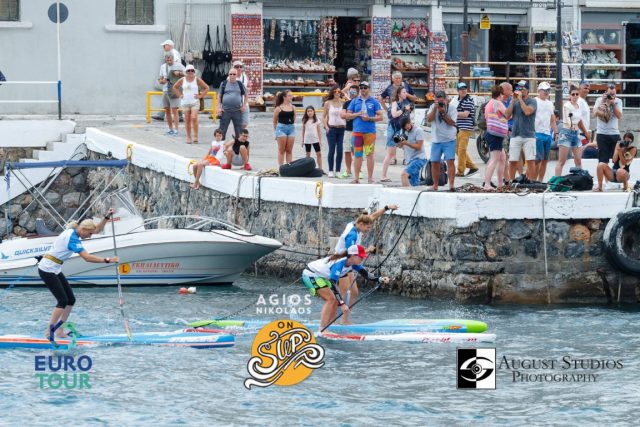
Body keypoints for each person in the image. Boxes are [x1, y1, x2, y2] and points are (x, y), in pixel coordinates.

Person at [39, 212, 119, 340]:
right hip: (47, 268)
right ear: (83, 230)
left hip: (55, 268)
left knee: (71, 300)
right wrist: (108, 260)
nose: (89, 236)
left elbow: (96, 229)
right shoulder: (73, 238)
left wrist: (107, 217)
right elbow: (87, 258)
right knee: (63, 301)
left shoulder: (75, 229)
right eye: (89, 234)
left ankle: (60, 330)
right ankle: (49, 331)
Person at [302, 244, 390, 330]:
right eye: (361, 257)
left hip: (321, 277)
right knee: (331, 299)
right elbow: (333, 285)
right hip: (311, 274)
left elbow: (366, 274)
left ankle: (332, 323)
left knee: (336, 299)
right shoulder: (339, 264)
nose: (363, 258)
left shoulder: (352, 263)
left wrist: (381, 279)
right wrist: (343, 304)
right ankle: (322, 329)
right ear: (352, 256)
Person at [334, 206, 397, 324]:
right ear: (361, 224)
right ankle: (334, 321)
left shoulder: (357, 224)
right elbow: (350, 254)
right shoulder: (352, 235)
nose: (368, 230)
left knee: (354, 293)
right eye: (367, 228)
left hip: (349, 263)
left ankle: (344, 319)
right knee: (343, 294)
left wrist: (386, 208)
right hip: (341, 263)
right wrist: (367, 250)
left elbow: (372, 217)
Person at [345, 81, 383, 184]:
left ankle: (370, 178)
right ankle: (356, 178)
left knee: (369, 154)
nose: (362, 89)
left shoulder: (374, 102)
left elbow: (381, 117)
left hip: (369, 133)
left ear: (369, 89)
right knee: (357, 155)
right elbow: (347, 115)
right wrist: (357, 114)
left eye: (365, 87)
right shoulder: (354, 101)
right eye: (361, 87)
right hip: (357, 132)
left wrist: (369, 119)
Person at [379, 71, 418, 166]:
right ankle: (393, 158)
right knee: (393, 137)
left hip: (405, 117)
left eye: (399, 78)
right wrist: (386, 109)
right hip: (394, 117)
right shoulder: (389, 88)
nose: (398, 80)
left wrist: (406, 94)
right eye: (396, 78)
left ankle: (406, 158)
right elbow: (380, 98)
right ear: (392, 79)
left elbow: (415, 98)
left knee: (405, 137)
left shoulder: (406, 86)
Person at [505, 80, 537, 181]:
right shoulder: (515, 101)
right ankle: (511, 182)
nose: (519, 91)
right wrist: (513, 101)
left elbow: (527, 111)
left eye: (522, 89)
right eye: (518, 88)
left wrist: (520, 100)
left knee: (530, 160)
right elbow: (506, 115)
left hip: (529, 135)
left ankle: (531, 182)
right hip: (515, 134)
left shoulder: (532, 101)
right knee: (513, 160)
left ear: (527, 90)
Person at [555, 85, 589, 177]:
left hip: (576, 133)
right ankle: (556, 180)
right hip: (566, 133)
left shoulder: (579, 106)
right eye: (573, 94)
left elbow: (580, 121)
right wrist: (573, 127)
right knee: (562, 160)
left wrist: (585, 132)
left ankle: (581, 179)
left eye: (576, 94)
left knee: (578, 159)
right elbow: (567, 119)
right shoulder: (567, 105)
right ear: (570, 95)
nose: (575, 96)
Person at [426, 90, 457, 191]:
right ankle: (435, 185)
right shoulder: (432, 107)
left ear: (446, 100)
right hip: (436, 140)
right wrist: (435, 109)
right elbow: (429, 120)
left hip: (449, 139)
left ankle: (451, 185)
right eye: (438, 100)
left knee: (450, 162)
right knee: (434, 162)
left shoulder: (452, 108)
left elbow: (452, 122)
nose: (440, 102)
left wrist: (443, 112)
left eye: (442, 100)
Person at [381, 86, 412, 182]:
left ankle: (408, 174)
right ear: (399, 94)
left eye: (406, 92)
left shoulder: (405, 103)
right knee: (390, 154)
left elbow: (405, 118)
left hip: (400, 131)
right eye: (403, 92)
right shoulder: (395, 103)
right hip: (393, 131)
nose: (405, 93)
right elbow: (394, 114)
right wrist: (403, 109)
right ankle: (383, 176)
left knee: (408, 149)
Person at [173, 64, 209, 144]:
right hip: (185, 102)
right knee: (187, 120)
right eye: (188, 70)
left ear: (194, 71)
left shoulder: (197, 79)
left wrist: (200, 96)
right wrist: (179, 95)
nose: (190, 72)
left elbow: (206, 87)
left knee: (194, 117)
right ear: (186, 72)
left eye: (192, 70)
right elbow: (174, 87)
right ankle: (189, 136)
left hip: (194, 102)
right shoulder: (182, 79)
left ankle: (195, 135)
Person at [482, 85, 508, 190]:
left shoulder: (489, 103)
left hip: (491, 133)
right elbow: (508, 114)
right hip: (495, 134)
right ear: (500, 94)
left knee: (502, 158)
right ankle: (487, 183)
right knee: (494, 159)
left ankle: (500, 183)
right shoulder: (498, 103)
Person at [533, 82, 558, 182]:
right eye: (544, 90)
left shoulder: (550, 103)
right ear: (539, 91)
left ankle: (540, 181)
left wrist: (556, 132)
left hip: (547, 134)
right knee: (537, 159)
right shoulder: (534, 101)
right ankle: (532, 180)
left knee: (545, 160)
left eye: (548, 90)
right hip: (536, 133)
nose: (546, 92)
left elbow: (552, 119)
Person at [593, 84, 623, 164]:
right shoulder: (599, 100)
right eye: (610, 94)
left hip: (614, 133)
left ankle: (615, 176)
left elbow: (619, 116)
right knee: (603, 161)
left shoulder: (618, 101)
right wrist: (603, 101)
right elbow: (594, 113)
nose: (612, 96)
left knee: (617, 160)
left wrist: (613, 104)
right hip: (602, 133)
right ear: (606, 93)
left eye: (614, 94)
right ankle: (605, 176)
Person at [217, 67, 248, 140]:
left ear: (236, 75)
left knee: (238, 130)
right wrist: (219, 108)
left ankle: (239, 147)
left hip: (237, 111)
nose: (232, 76)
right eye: (231, 74)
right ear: (228, 75)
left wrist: (243, 106)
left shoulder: (240, 84)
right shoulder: (224, 84)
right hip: (225, 111)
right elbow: (219, 96)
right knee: (222, 130)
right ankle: (220, 147)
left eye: (234, 74)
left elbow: (246, 95)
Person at [454, 82, 478, 177]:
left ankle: (460, 171)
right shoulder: (456, 100)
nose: (463, 90)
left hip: (466, 128)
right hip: (457, 128)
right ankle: (472, 167)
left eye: (464, 89)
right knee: (457, 149)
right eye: (461, 89)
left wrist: (454, 112)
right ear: (458, 91)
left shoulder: (469, 100)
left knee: (461, 149)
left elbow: (465, 114)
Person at [323, 84, 346, 177]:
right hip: (331, 128)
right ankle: (330, 170)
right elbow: (323, 116)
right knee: (332, 149)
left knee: (340, 149)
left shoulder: (343, 103)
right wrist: (326, 126)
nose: (337, 93)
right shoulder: (328, 103)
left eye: (339, 91)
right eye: (335, 91)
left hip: (341, 128)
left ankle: (338, 170)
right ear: (332, 92)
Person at [158, 53, 184, 136]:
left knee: (174, 111)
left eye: (170, 59)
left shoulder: (179, 66)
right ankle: (170, 129)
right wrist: (163, 81)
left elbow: (188, 74)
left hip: (174, 90)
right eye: (167, 60)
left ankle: (176, 130)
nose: (169, 61)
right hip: (165, 90)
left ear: (173, 59)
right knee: (167, 111)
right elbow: (160, 80)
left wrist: (179, 73)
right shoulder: (162, 67)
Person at [396, 117, 427, 187]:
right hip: (409, 160)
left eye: (407, 127)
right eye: (405, 128)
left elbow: (419, 147)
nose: (407, 129)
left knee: (404, 175)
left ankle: (405, 196)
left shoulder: (418, 130)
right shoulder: (403, 131)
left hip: (419, 159)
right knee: (415, 185)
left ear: (410, 122)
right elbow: (400, 146)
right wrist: (399, 142)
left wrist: (406, 143)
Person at [339, 84, 360, 179]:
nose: (352, 94)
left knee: (357, 152)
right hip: (348, 130)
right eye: (350, 92)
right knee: (347, 150)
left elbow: (362, 114)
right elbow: (343, 115)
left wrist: (350, 115)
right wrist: (356, 114)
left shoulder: (360, 103)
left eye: (354, 92)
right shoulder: (346, 103)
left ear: (358, 93)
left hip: (358, 130)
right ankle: (348, 170)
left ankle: (358, 171)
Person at [273, 90, 296, 166]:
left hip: (291, 128)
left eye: (291, 95)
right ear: (284, 97)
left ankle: (289, 167)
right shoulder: (278, 108)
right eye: (289, 95)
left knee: (289, 150)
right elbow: (274, 121)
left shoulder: (293, 107)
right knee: (281, 150)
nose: (291, 97)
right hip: (281, 128)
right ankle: (281, 168)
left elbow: (294, 118)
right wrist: (275, 132)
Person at [500, 82, 515, 181]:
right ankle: (506, 178)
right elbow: (507, 115)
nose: (512, 92)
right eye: (510, 89)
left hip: (514, 130)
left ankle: (511, 177)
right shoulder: (498, 102)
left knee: (513, 156)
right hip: (503, 131)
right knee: (504, 156)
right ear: (504, 90)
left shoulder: (512, 100)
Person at [301, 106, 324, 172]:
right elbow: (303, 130)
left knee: (318, 154)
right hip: (307, 140)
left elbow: (319, 131)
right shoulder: (304, 120)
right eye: (308, 111)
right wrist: (302, 140)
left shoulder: (316, 120)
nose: (309, 112)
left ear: (314, 112)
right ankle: (307, 169)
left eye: (311, 111)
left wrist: (320, 140)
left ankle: (320, 169)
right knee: (308, 155)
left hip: (315, 139)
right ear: (306, 112)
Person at [232, 60, 250, 129]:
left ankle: (239, 136)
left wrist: (248, 88)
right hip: (235, 104)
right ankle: (238, 137)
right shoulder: (230, 77)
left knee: (245, 123)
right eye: (237, 67)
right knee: (237, 123)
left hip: (245, 103)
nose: (239, 68)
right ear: (233, 68)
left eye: (240, 66)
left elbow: (248, 86)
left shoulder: (244, 76)